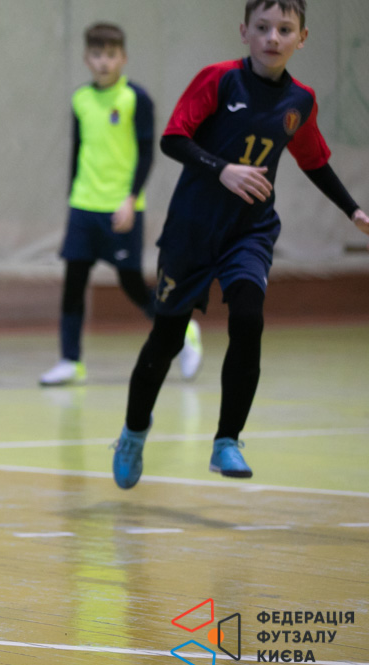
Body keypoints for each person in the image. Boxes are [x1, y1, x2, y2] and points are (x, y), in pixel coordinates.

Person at [111, 0, 369, 489]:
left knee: (248, 320)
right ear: (244, 32)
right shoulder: (220, 80)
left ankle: (227, 440)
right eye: (263, 27)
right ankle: (133, 433)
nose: (273, 37)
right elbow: (173, 139)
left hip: (249, 230)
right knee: (166, 340)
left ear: (302, 38)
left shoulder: (300, 101)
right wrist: (223, 170)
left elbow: (314, 161)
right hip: (192, 229)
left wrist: (352, 210)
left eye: (285, 29)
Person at [40, 22, 203, 387]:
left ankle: (183, 330)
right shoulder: (80, 99)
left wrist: (130, 200)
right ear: (87, 58)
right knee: (73, 283)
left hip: (121, 207)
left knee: (131, 284)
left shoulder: (136, 99)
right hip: (84, 205)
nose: (104, 62)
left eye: (111, 55)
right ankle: (70, 361)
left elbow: (146, 154)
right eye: (97, 54)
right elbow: (78, 151)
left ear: (123, 58)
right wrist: (73, 200)